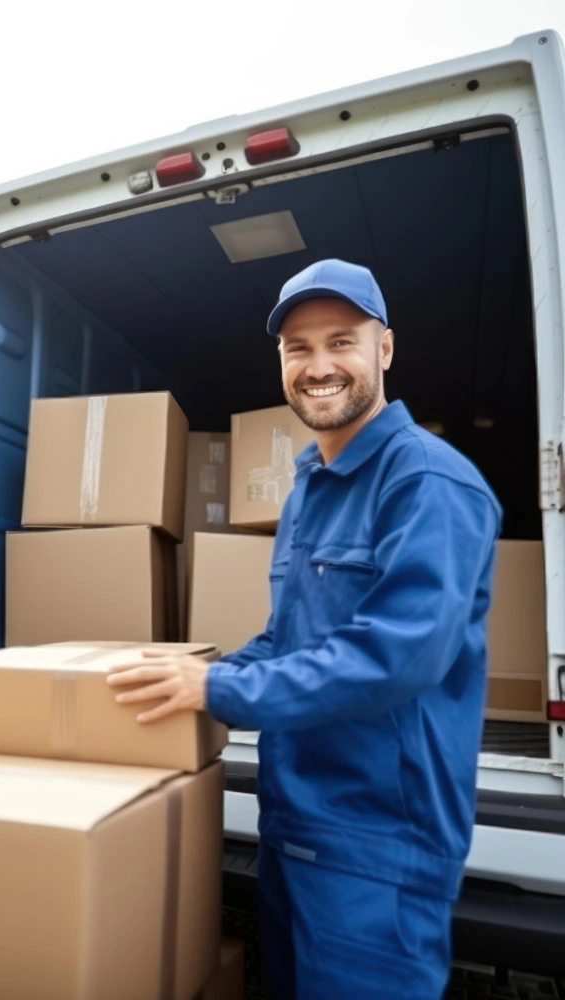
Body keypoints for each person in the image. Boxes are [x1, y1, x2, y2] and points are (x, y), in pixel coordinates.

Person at [107, 260, 501, 999]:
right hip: (294, 824)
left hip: (380, 845)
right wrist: (188, 672)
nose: (318, 366)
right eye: (298, 348)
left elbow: (398, 655)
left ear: (384, 349)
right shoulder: (310, 486)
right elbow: (289, 638)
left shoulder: (428, 483)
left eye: (341, 342)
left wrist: (219, 687)